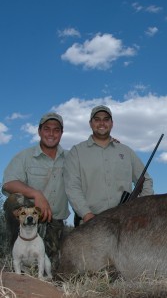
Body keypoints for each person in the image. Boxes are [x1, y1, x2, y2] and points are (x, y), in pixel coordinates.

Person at [64, 105, 154, 225]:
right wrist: (87, 215)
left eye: (106, 119)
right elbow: (72, 187)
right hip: (90, 224)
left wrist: (138, 207)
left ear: (112, 123)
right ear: (90, 123)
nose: (102, 123)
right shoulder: (76, 152)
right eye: (97, 119)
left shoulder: (126, 151)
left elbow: (146, 180)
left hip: (125, 223)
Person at [2, 112, 70, 270]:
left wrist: (110, 142)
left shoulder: (71, 157)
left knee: (54, 267)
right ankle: (15, 256)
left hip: (55, 223)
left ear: (61, 133)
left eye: (56, 130)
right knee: (15, 200)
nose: (51, 134)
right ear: (39, 131)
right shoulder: (24, 157)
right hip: (29, 219)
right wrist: (36, 194)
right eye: (47, 129)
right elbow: (8, 183)